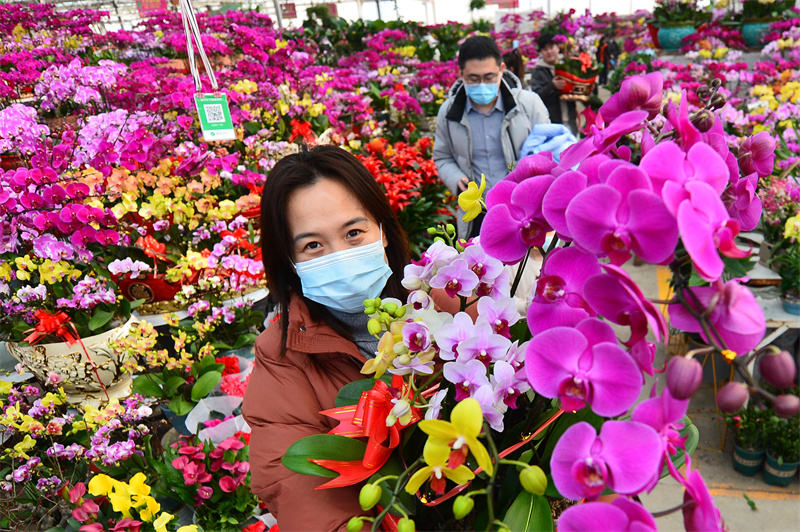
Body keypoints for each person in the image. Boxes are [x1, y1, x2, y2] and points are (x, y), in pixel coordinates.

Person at [242, 145, 411, 530]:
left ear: (382, 231)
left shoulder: (451, 306)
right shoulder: (282, 359)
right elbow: (298, 487)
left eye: (354, 233)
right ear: (289, 261)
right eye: (313, 245)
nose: (340, 255)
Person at [433, 35, 549, 239]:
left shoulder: (529, 105)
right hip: (478, 214)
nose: (481, 85)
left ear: (501, 69)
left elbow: (548, 153)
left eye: (489, 77)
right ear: (461, 74)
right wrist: (456, 179)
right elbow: (442, 157)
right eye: (473, 79)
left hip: (524, 209)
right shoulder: (450, 112)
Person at [530, 33, 578, 136]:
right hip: (552, 125)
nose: (549, 52)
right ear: (541, 52)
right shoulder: (538, 72)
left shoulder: (567, 65)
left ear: (557, 48)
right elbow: (536, 97)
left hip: (571, 121)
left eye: (551, 47)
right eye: (545, 49)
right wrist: (552, 86)